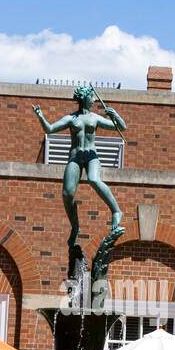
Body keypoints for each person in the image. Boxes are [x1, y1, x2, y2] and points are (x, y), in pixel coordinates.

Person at [32, 85, 127, 249]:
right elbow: (50, 129)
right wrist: (41, 116)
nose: (94, 100)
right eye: (92, 98)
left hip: (91, 156)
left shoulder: (95, 118)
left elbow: (122, 128)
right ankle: (75, 226)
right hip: (75, 157)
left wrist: (115, 115)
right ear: (85, 98)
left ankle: (116, 211)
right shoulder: (71, 119)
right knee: (67, 193)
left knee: (94, 179)